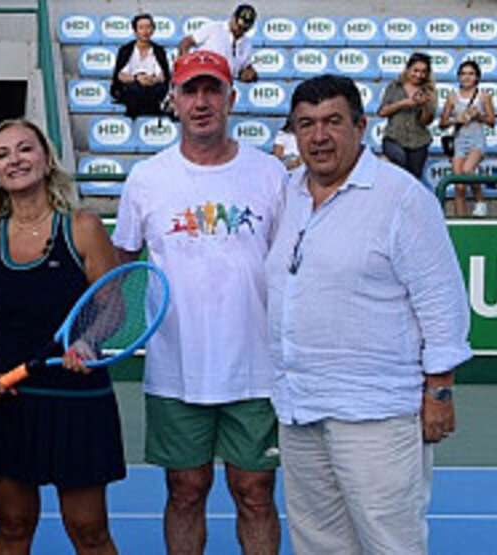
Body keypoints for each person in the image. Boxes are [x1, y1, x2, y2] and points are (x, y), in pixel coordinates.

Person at [265, 74, 473, 555]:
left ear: (361, 126)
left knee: (390, 543)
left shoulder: (402, 198)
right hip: (300, 408)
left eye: (333, 122)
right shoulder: (288, 194)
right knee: (319, 545)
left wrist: (440, 390)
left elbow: (441, 300)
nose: (319, 136)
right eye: (307, 124)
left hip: (375, 413)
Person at [112, 50, 285, 554]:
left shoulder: (271, 174)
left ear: (232, 98)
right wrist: (95, 338)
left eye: (213, 90)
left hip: (256, 368)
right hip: (176, 367)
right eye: (191, 91)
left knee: (254, 493)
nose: (202, 102)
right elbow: (121, 274)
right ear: (174, 100)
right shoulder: (147, 179)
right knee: (185, 491)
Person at [0, 118, 126, 554]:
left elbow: (112, 304)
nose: (15, 160)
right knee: (14, 526)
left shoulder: (82, 228)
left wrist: (88, 341)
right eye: (3, 154)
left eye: (25, 149)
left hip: (78, 400)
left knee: (88, 529)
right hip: (12, 400)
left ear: (45, 159)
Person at [440, 60, 496, 218]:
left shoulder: (484, 96)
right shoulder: (452, 97)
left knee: (467, 170)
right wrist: (455, 120)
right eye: (463, 74)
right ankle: (460, 219)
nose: (467, 77)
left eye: (470, 74)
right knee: (459, 185)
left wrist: (479, 115)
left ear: (477, 77)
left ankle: (480, 201)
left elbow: (492, 122)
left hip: (476, 140)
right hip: (459, 140)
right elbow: (442, 123)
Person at [378, 52, 436, 182]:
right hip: (394, 137)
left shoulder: (429, 91)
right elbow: (382, 112)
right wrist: (405, 103)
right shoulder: (394, 87)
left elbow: (426, 122)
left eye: (423, 72)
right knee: (398, 163)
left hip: (419, 141)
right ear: (408, 69)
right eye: (415, 70)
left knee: (413, 179)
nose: (419, 75)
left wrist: (424, 106)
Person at [110, 13, 171, 119]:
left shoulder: (159, 50)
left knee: (157, 90)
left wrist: (153, 80)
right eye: (141, 28)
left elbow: (162, 75)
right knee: (134, 90)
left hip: (152, 85)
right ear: (135, 31)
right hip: (132, 84)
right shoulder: (126, 50)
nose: (145, 31)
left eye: (148, 27)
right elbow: (120, 75)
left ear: (153, 30)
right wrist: (137, 79)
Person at [178, 4, 258, 83]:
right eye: (239, 26)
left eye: (244, 28)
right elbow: (186, 42)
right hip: (201, 78)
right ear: (233, 18)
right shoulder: (214, 28)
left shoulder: (247, 44)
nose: (240, 30)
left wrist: (250, 74)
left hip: (224, 85)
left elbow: (242, 70)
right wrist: (186, 65)